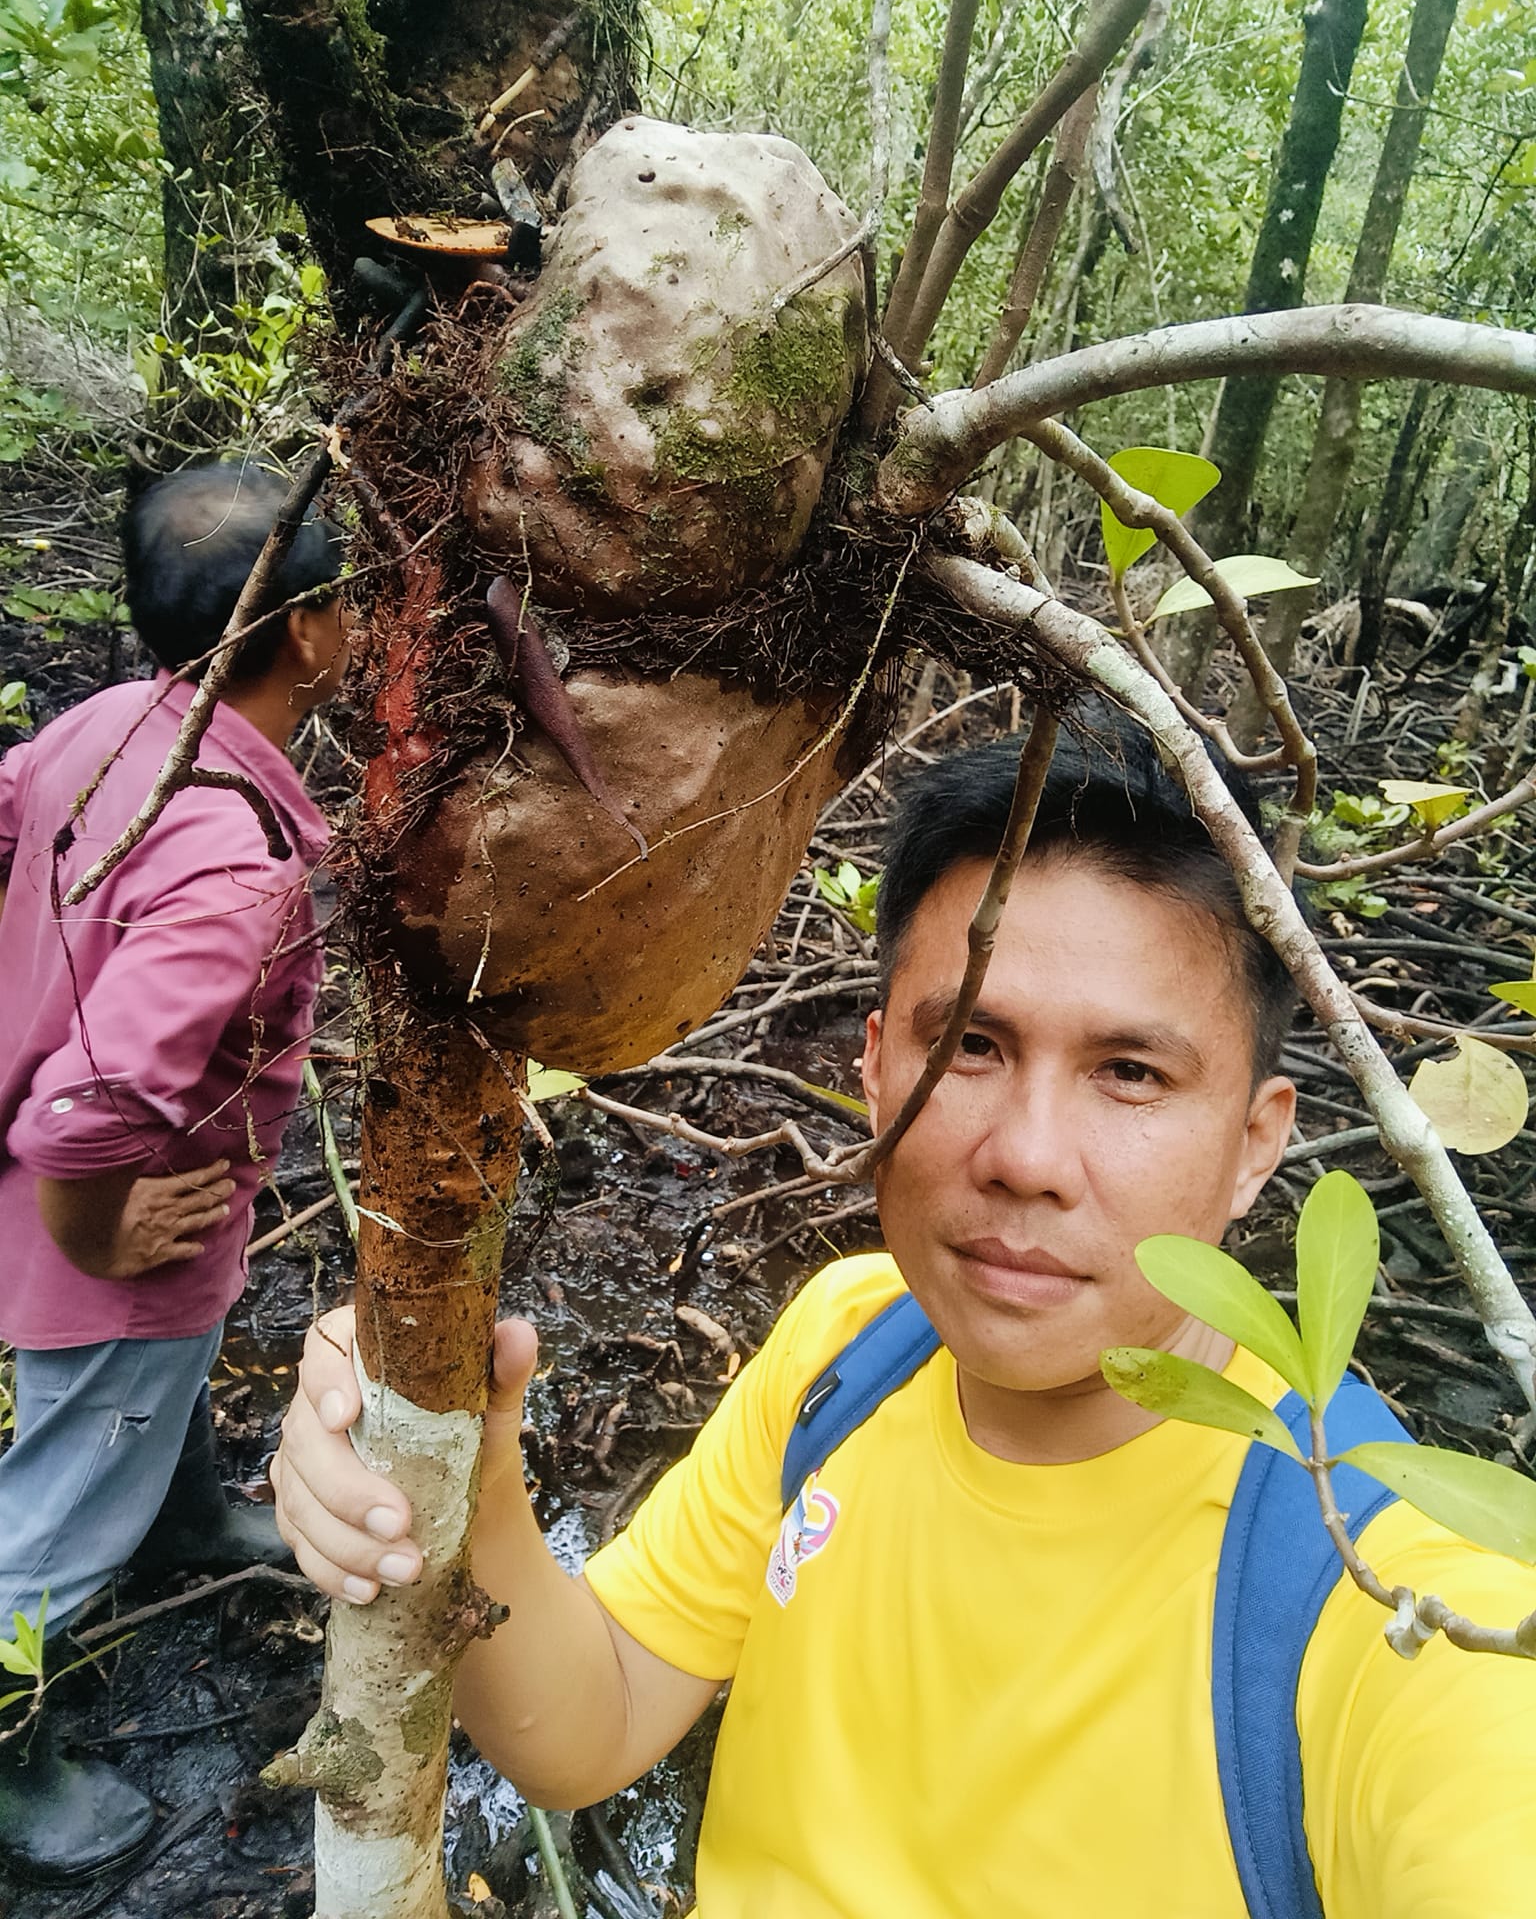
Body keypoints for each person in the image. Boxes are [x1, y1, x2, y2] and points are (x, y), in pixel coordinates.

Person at [272, 719, 1536, 1917]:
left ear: (1258, 1142)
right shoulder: (851, 1339)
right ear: (876, 1067)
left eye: (1130, 1071)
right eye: (973, 1044)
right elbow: (589, 1720)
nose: (1027, 1156)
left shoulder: (1386, 1590)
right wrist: (457, 1472)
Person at [0, 460, 349, 1883]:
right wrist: (96, 1233)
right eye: (347, 601)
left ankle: (187, 1516)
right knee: (59, 1508)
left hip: (129, 1225)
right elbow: (87, 1116)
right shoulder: (234, 866)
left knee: (158, 1397)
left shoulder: (108, 725)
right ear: (307, 634)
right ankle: (11, 1751)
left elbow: (9, 810)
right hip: (107, 1251)